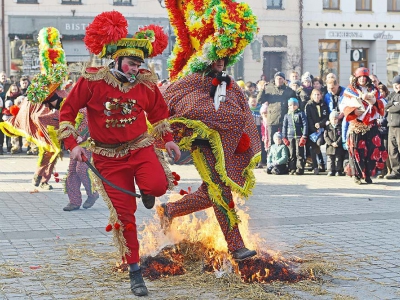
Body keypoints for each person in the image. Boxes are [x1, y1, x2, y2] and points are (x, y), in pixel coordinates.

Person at [58, 12, 181, 297]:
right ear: (117, 60)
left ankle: (147, 189)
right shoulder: (92, 82)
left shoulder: (146, 83)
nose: (136, 69)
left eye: (140, 64)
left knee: (158, 186)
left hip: (140, 148)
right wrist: (73, 144)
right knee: (126, 217)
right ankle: (135, 272)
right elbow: (67, 112)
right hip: (107, 158)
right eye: (132, 63)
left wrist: (170, 140)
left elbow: (159, 113)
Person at [159, 0, 259, 263]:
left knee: (212, 190)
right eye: (217, 56)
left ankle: (169, 210)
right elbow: (184, 105)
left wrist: (237, 126)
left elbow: (242, 113)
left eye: (226, 57)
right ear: (206, 54)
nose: (222, 61)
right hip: (204, 145)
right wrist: (221, 119)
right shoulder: (192, 80)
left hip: (225, 148)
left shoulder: (229, 82)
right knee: (219, 191)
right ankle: (236, 247)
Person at [341, 67, 386, 184]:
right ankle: (357, 175)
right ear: (356, 78)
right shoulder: (350, 90)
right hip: (356, 125)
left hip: (371, 125)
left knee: (371, 151)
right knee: (356, 151)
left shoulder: (374, 90)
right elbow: (343, 106)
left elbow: (383, 104)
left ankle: (368, 175)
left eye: (364, 77)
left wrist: (375, 102)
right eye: (360, 77)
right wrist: (353, 112)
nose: (362, 79)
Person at [63, 108, 100, 211]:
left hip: (88, 144)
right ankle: (74, 201)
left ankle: (93, 193)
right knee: (72, 172)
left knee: (82, 170)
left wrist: (80, 136)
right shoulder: (70, 106)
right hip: (75, 145)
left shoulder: (87, 107)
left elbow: (90, 121)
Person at [257, 71, 296, 150]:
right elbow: (259, 100)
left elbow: (295, 101)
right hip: (272, 119)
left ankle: (285, 158)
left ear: (284, 80)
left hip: (284, 119)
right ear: (274, 79)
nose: (279, 80)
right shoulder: (269, 88)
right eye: (277, 78)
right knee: (272, 141)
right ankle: (271, 159)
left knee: (284, 140)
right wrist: (262, 90)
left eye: (280, 78)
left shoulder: (289, 91)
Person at [305, 88, 329, 175]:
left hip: (322, 129)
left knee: (318, 143)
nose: (317, 96)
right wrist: (314, 128)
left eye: (318, 94)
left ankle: (321, 162)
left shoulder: (324, 105)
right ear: (312, 96)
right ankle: (316, 166)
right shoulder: (309, 105)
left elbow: (326, 117)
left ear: (321, 95)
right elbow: (308, 118)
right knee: (312, 147)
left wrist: (320, 124)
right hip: (312, 130)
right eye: (315, 94)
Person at [282, 98, 308, 175]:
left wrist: (304, 136)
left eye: (294, 105)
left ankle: (300, 169)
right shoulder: (287, 115)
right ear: (288, 106)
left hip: (299, 136)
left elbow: (305, 125)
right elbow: (284, 126)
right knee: (291, 153)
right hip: (290, 137)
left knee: (299, 153)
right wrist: (284, 137)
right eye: (290, 105)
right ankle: (292, 168)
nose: (292, 106)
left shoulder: (301, 114)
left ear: (297, 105)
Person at [385, 75, 400, 179]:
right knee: (392, 150)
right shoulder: (392, 95)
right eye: (395, 85)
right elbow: (386, 105)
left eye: (398, 84)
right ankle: (396, 171)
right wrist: (392, 104)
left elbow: (398, 108)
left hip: (399, 126)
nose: (396, 87)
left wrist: (391, 108)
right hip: (391, 126)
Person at [324, 111, 346, 176]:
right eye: (332, 119)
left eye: (335, 119)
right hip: (330, 147)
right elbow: (326, 136)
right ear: (330, 119)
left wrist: (337, 143)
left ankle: (338, 170)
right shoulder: (328, 127)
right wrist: (330, 143)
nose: (334, 120)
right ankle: (330, 170)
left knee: (338, 159)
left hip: (338, 147)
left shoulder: (340, 127)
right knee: (330, 159)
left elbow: (341, 136)